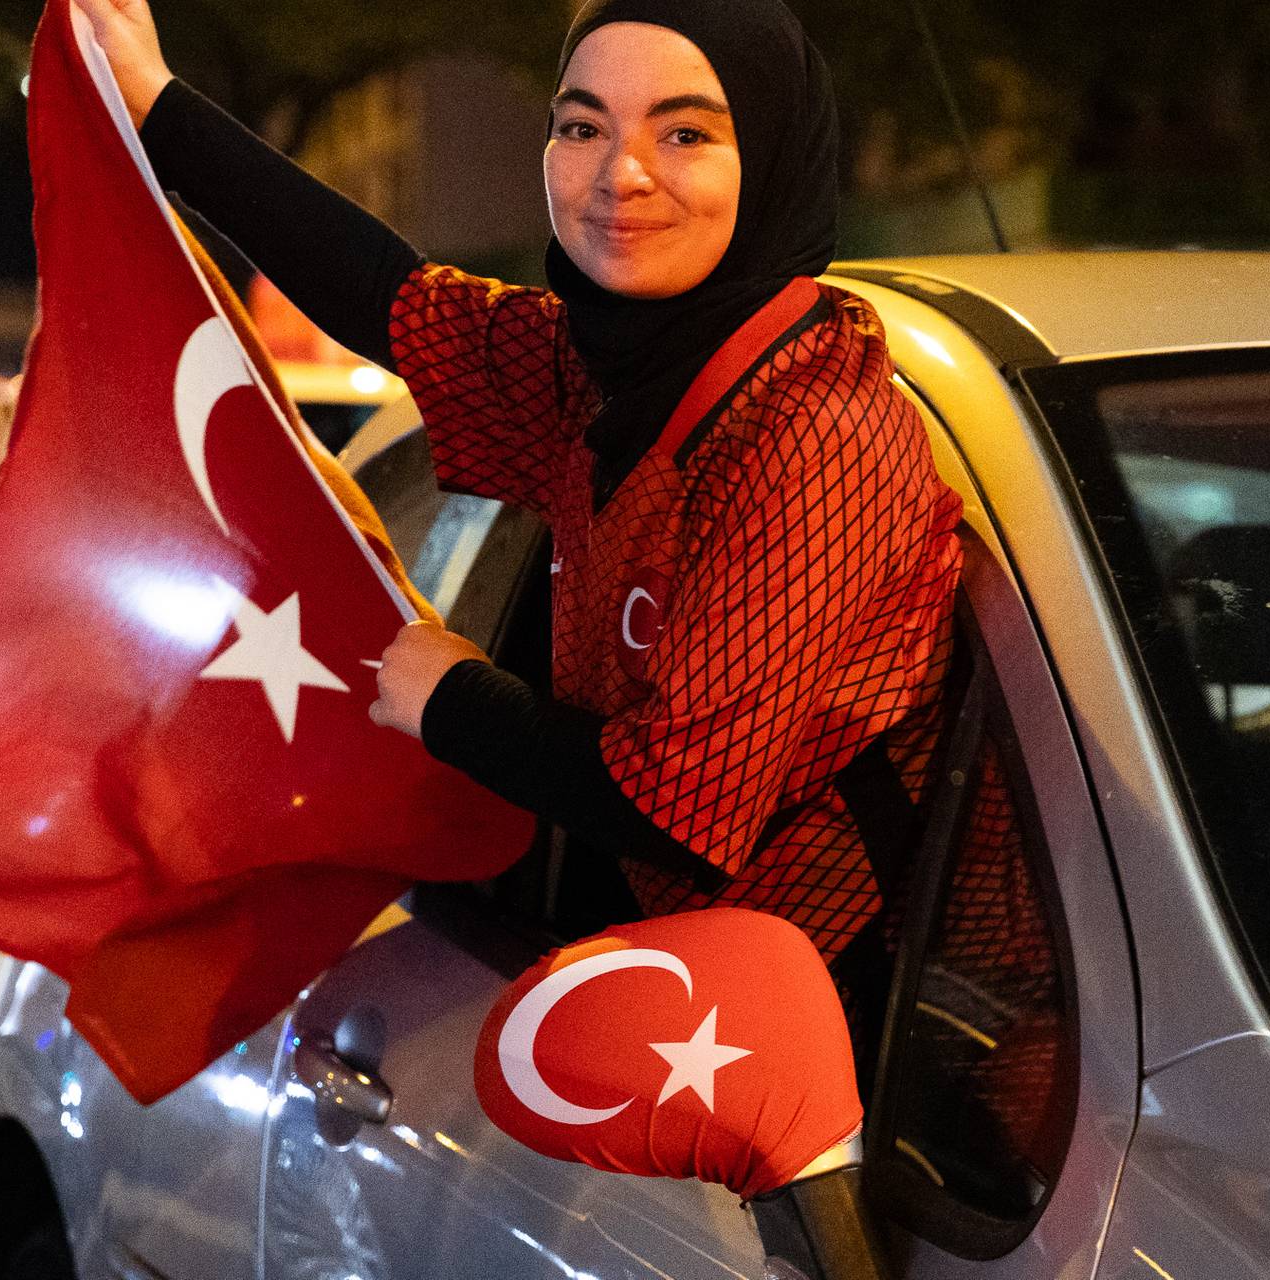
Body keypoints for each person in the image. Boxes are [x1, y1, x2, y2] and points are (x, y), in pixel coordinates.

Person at [73, 0, 965, 974]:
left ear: (775, 157)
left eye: (685, 133)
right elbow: (393, 300)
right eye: (582, 127)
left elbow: (679, 807)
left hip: (866, 1035)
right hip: (688, 979)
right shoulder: (611, 362)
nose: (621, 176)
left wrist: (449, 697)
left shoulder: (813, 429)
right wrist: (153, 103)